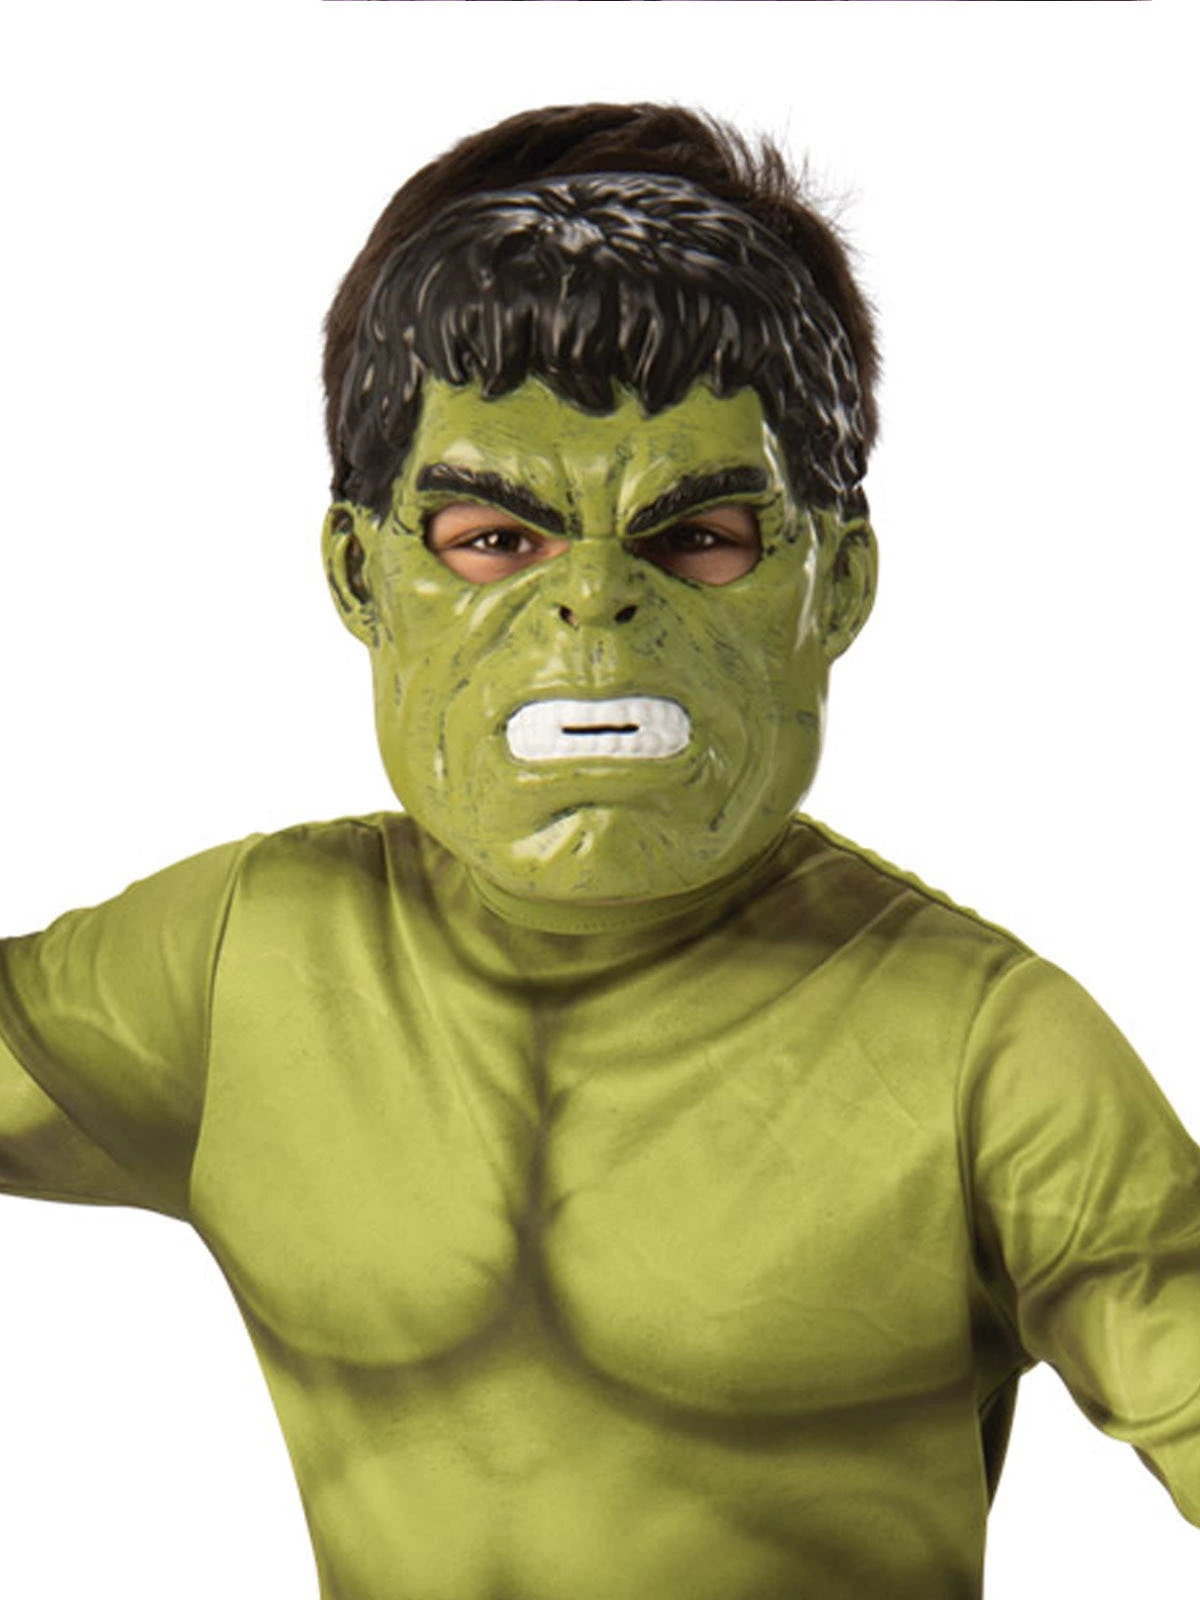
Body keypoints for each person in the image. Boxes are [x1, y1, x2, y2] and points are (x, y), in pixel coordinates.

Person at [1, 101, 1196, 1599]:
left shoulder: (985, 1051)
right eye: (494, 539)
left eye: (700, 540)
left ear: (836, 584)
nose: (594, 606)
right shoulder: (244, 958)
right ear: (360, 573)